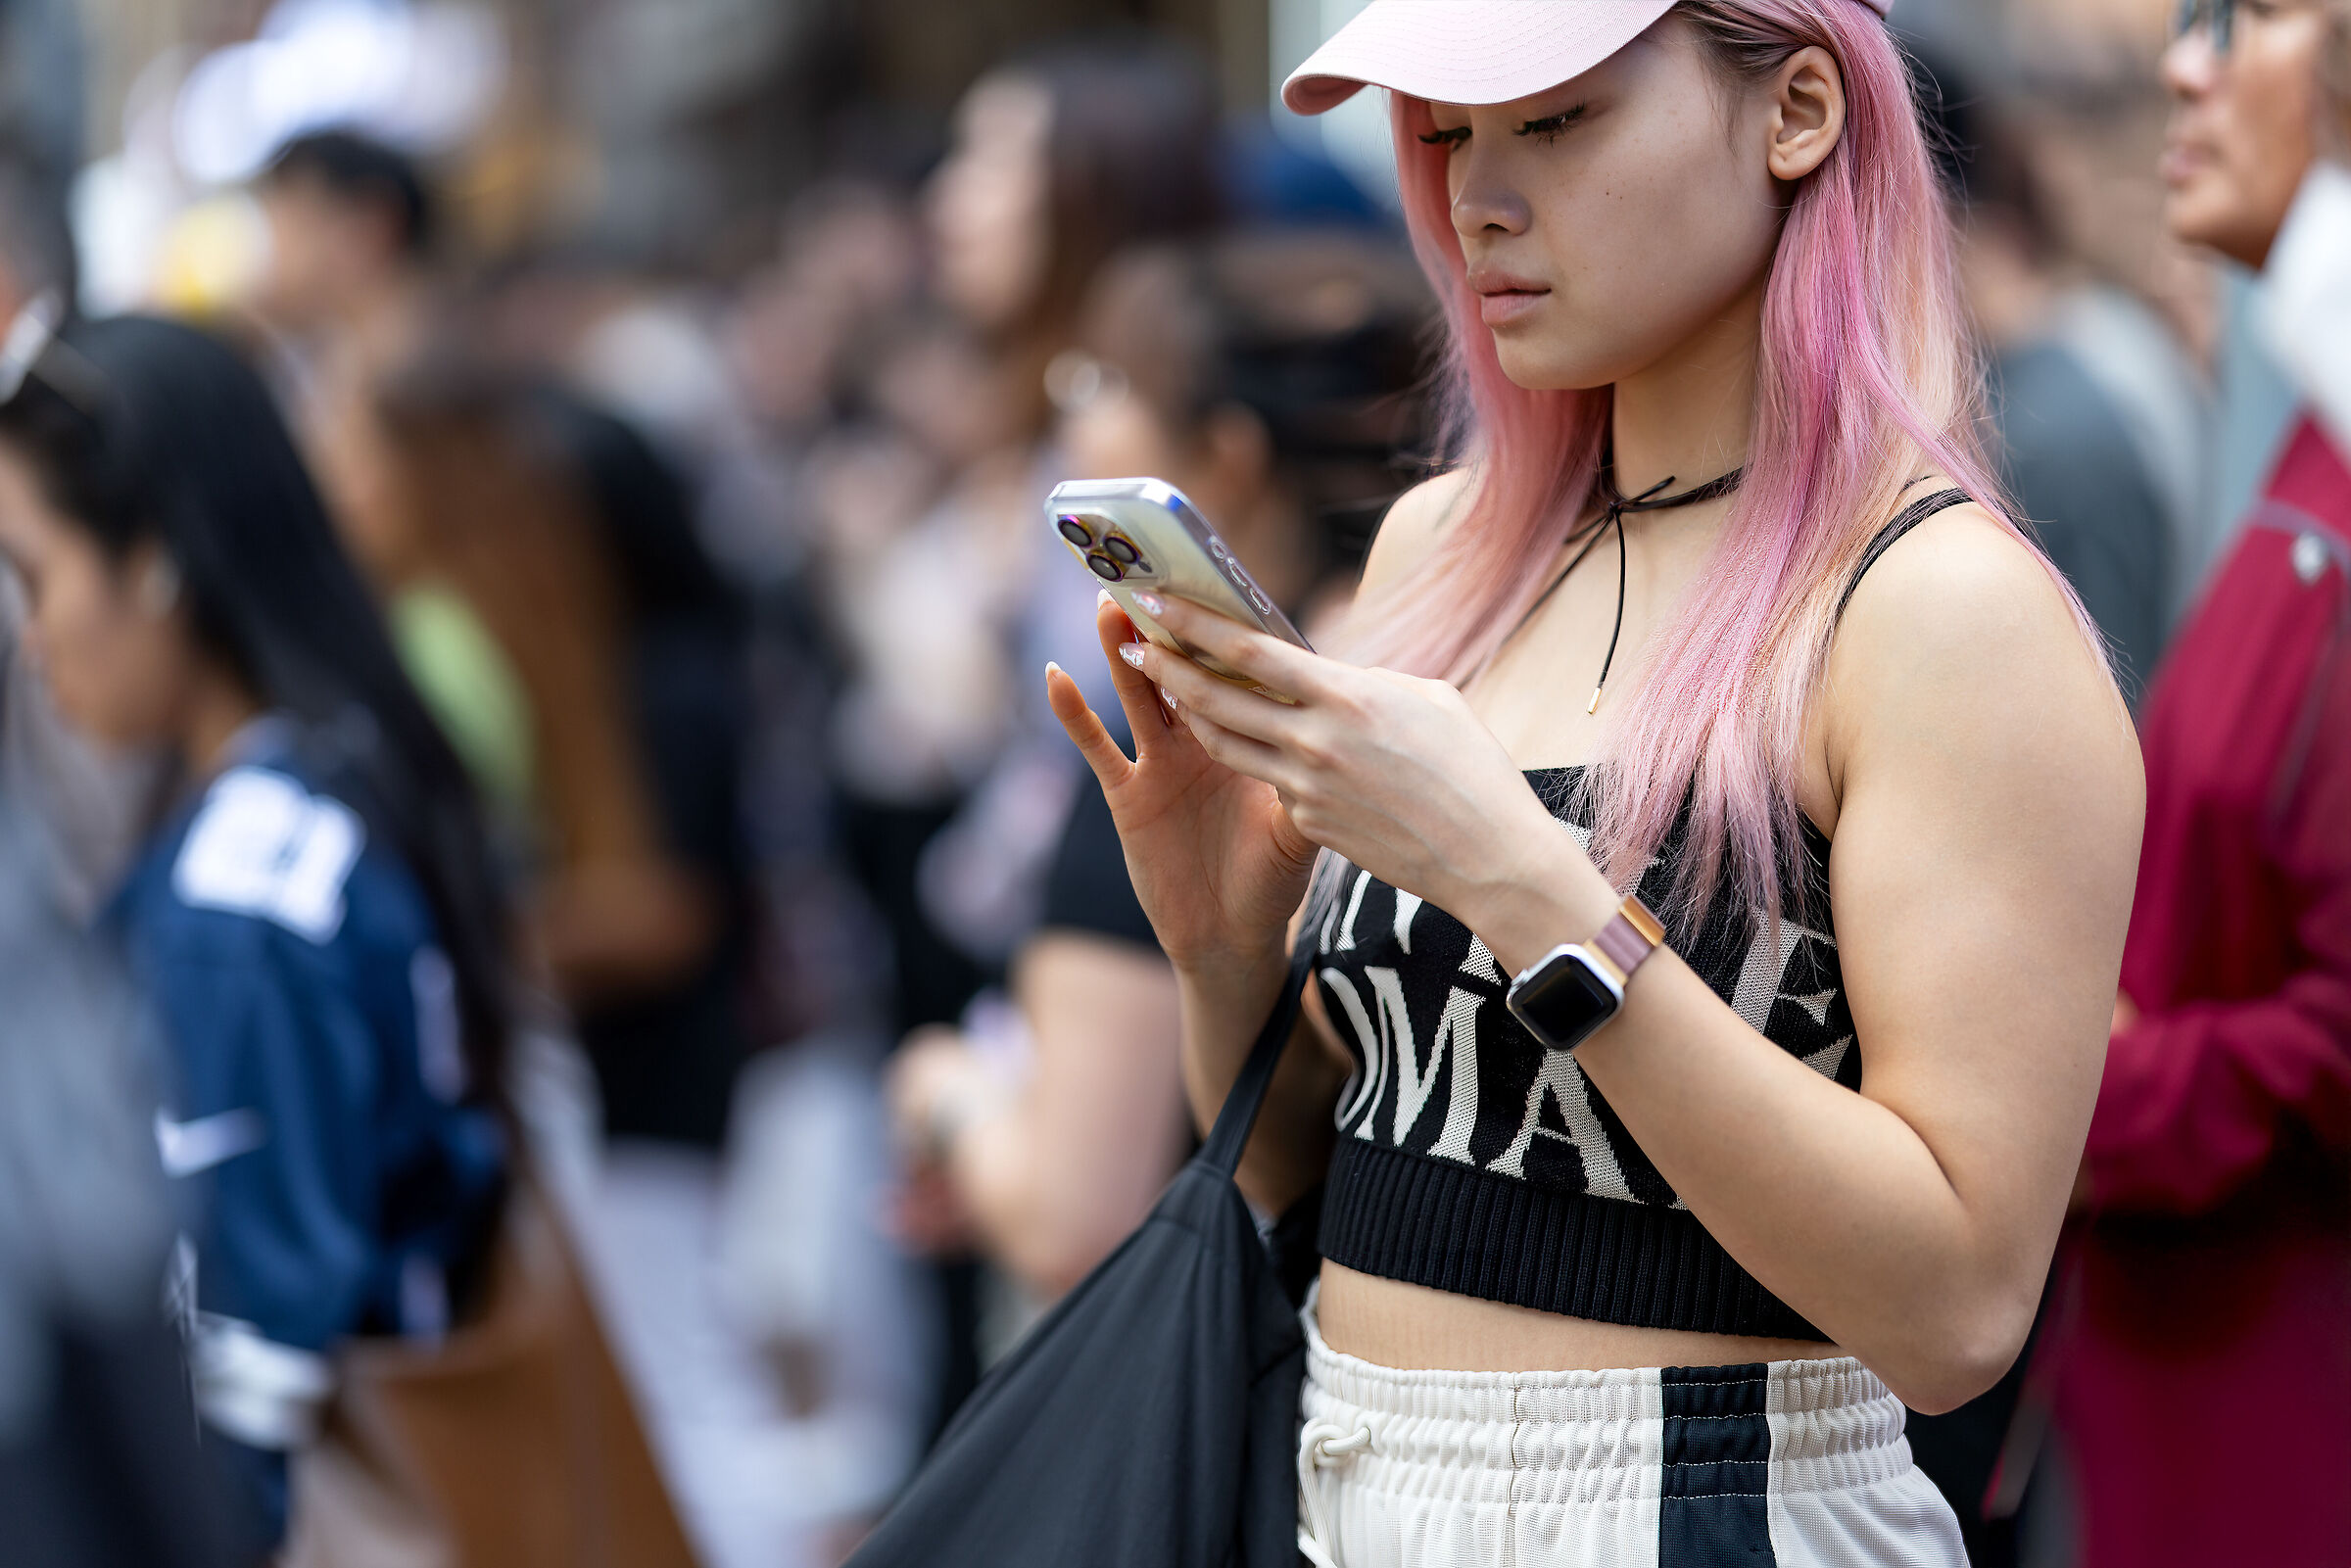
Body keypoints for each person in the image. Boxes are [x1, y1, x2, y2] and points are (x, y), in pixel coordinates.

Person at [1046, 4, 2141, 1564]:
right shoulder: (1445, 553)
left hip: (1706, 1501)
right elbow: (1313, 1168)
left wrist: (1527, 886)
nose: (1477, 197)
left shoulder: (1937, 612)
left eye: (1555, 121)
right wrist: (1225, 947)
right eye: (1445, 134)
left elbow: (1956, 1306)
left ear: (1800, 110)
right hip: (1345, 1482)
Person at [0, 311, 510, 1544]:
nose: (28, 634)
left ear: (156, 561)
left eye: (31, 575)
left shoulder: (238, 896)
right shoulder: (335, 776)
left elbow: (260, 1356)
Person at [887, 231, 1433, 1302]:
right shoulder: (1426, 698)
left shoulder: (1172, 749)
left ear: (1224, 460)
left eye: (1104, 383)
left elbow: (1071, 1215)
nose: (1071, 419)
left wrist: (946, 1092)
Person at [2042, 3, 2351, 1564]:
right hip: (2185, 1385)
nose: (2187, 63)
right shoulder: (2312, 444)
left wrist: (2073, 1077)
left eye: (2258, 18)